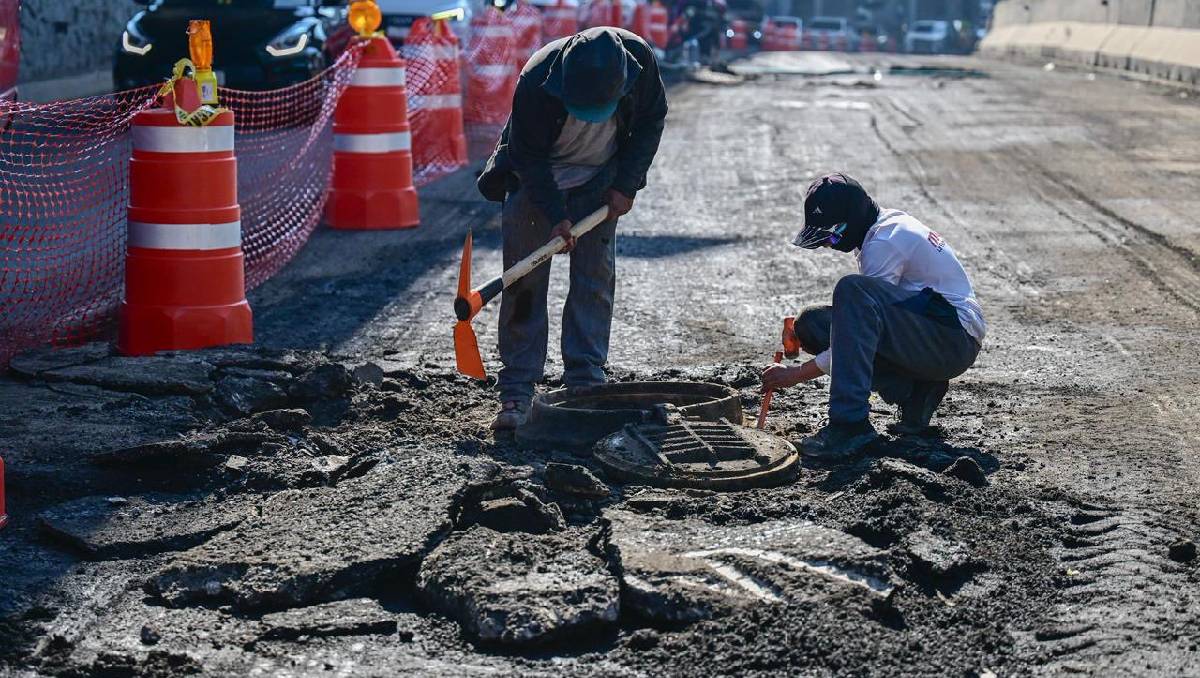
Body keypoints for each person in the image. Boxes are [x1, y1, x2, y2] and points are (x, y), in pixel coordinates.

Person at [477, 27, 668, 431]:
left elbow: (651, 121)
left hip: (602, 177)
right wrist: (554, 214)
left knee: (594, 277)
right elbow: (527, 156)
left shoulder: (640, 64)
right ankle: (517, 388)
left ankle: (585, 380)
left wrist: (626, 184)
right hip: (537, 179)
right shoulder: (536, 79)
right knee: (524, 281)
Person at [762, 173, 986, 459]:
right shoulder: (877, 228)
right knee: (812, 324)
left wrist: (794, 375)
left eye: (831, 235)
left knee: (852, 290)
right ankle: (915, 391)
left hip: (952, 340)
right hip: (934, 332)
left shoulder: (885, 241)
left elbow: (857, 331)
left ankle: (849, 425)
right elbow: (861, 331)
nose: (828, 244)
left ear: (851, 220)